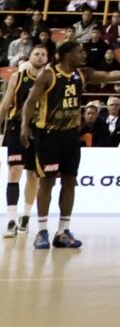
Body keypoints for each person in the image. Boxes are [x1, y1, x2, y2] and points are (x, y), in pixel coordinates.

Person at [20, 39, 120, 248]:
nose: (83, 55)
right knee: (47, 182)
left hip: (70, 136)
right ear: (68, 55)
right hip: (48, 135)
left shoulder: (82, 74)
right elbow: (30, 101)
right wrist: (24, 126)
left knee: (69, 181)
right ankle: (41, 231)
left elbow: (106, 75)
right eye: (79, 52)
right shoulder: (48, 74)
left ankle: (63, 231)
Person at [1, 41, 51, 238]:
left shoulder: (50, 79)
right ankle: (11, 219)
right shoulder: (18, 77)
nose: (39, 57)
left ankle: (26, 216)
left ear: (47, 59)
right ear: (30, 56)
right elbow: (5, 104)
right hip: (16, 126)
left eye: (43, 55)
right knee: (15, 170)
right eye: (36, 54)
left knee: (33, 175)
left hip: (39, 129)